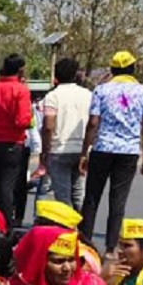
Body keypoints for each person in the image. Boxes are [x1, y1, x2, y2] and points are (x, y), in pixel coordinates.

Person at [80, 51, 143, 253]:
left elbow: (93, 123)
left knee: (92, 197)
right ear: (133, 68)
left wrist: (84, 152)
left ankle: (85, 243)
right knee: (118, 200)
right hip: (128, 151)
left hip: (102, 148)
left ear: (113, 69)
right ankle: (111, 247)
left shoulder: (101, 90)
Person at [0, 55, 33, 227]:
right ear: (20, 70)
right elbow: (23, 121)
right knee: (7, 188)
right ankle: (6, 225)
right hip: (13, 143)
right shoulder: (21, 90)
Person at [40, 57, 92, 210]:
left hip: (59, 150)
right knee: (78, 194)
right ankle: (82, 223)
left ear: (56, 75)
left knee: (63, 197)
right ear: (75, 75)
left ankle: (68, 223)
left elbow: (48, 126)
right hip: (82, 149)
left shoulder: (53, 96)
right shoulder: (88, 95)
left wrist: (45, 150)